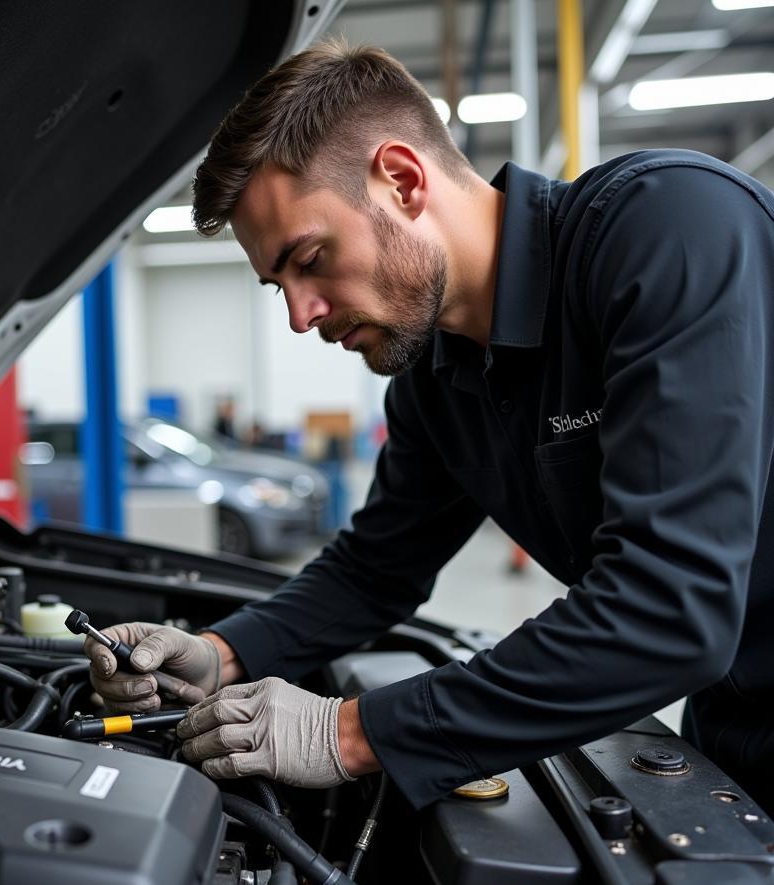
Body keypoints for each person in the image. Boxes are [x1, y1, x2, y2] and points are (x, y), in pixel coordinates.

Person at [86, 41, 774, 813]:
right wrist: (221, 653)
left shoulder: (669, 227)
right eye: (278, 285)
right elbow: (376, 568)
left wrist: (351, 733)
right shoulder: (435, 376)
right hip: (735, 734)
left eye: (310, 258)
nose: (299, 315)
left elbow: (667, 608)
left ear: (403, 180)